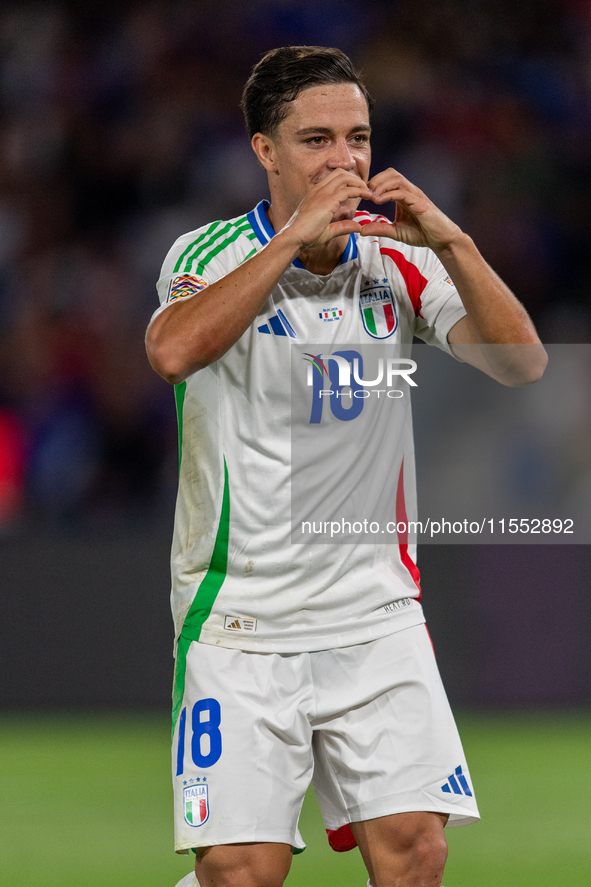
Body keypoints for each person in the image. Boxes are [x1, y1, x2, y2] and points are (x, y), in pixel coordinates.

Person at [146, 46, 546, 887]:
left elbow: (521, 364)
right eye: (317, 140)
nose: (345, 160)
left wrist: (453, 239)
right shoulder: (209, 252)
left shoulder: (399, 259)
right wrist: (292, 240)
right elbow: (174, 349)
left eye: (357, 138)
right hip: (240, 617)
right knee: (240, 872)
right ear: (265, 150)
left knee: (415, 852)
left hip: (375, 613)